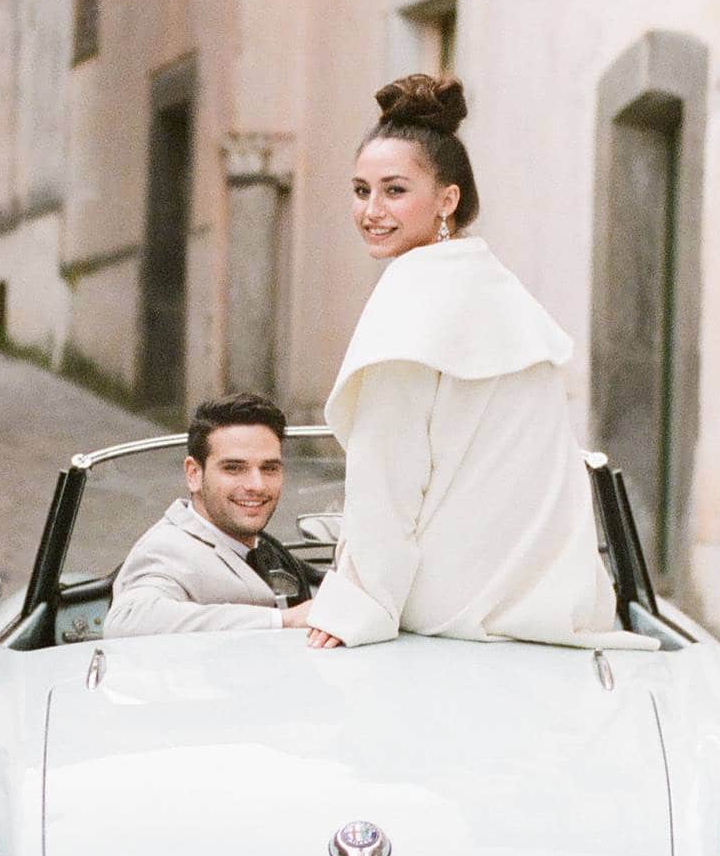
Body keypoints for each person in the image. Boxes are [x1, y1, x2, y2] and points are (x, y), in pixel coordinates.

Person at [306, 72, 644, 652]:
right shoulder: (496, 289)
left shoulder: (411, 295)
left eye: (394, 190)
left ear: (448, 200)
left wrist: (357, 607)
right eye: (360, 191)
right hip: (549, 605)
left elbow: (388, 475)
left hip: (446, 609)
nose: (371, 211)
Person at [104, 392, 314, 638]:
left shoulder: (264, 549)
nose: (257, 485)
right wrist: (283, 620)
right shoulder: (166, 548)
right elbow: (127, 620)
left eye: (269, 468)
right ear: (193, 474)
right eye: (233, 468)